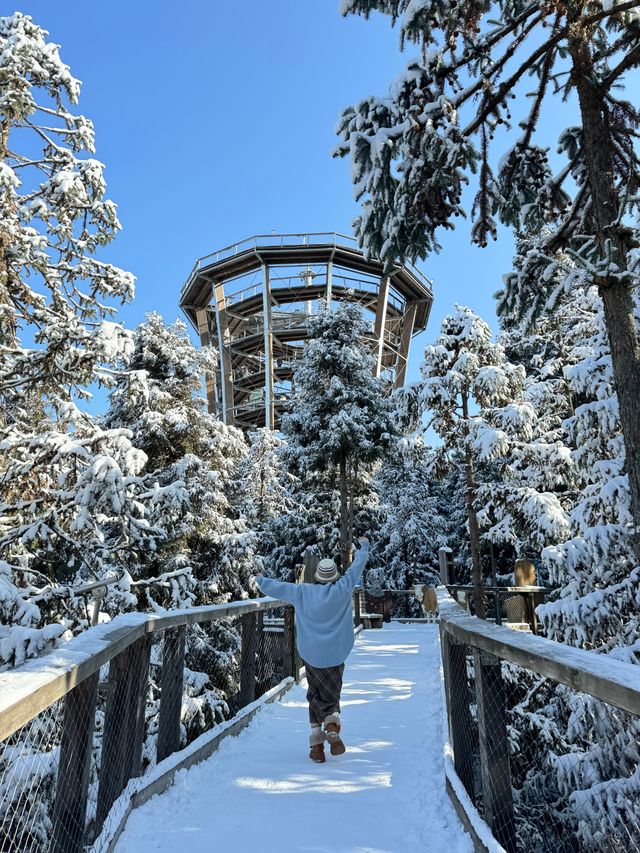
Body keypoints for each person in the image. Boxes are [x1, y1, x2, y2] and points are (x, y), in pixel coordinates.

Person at [255, 537, 370, 763]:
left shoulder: (303, 592)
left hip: (311, 654)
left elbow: (279, 588)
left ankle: (317, 746)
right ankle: (332, 724)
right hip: (336, 653)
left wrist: (260, 580)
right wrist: (363, 547)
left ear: (317, 576)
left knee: (314, 694)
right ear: (335, 575)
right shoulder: (344, 588)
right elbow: (357, 566)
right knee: (332, 694)